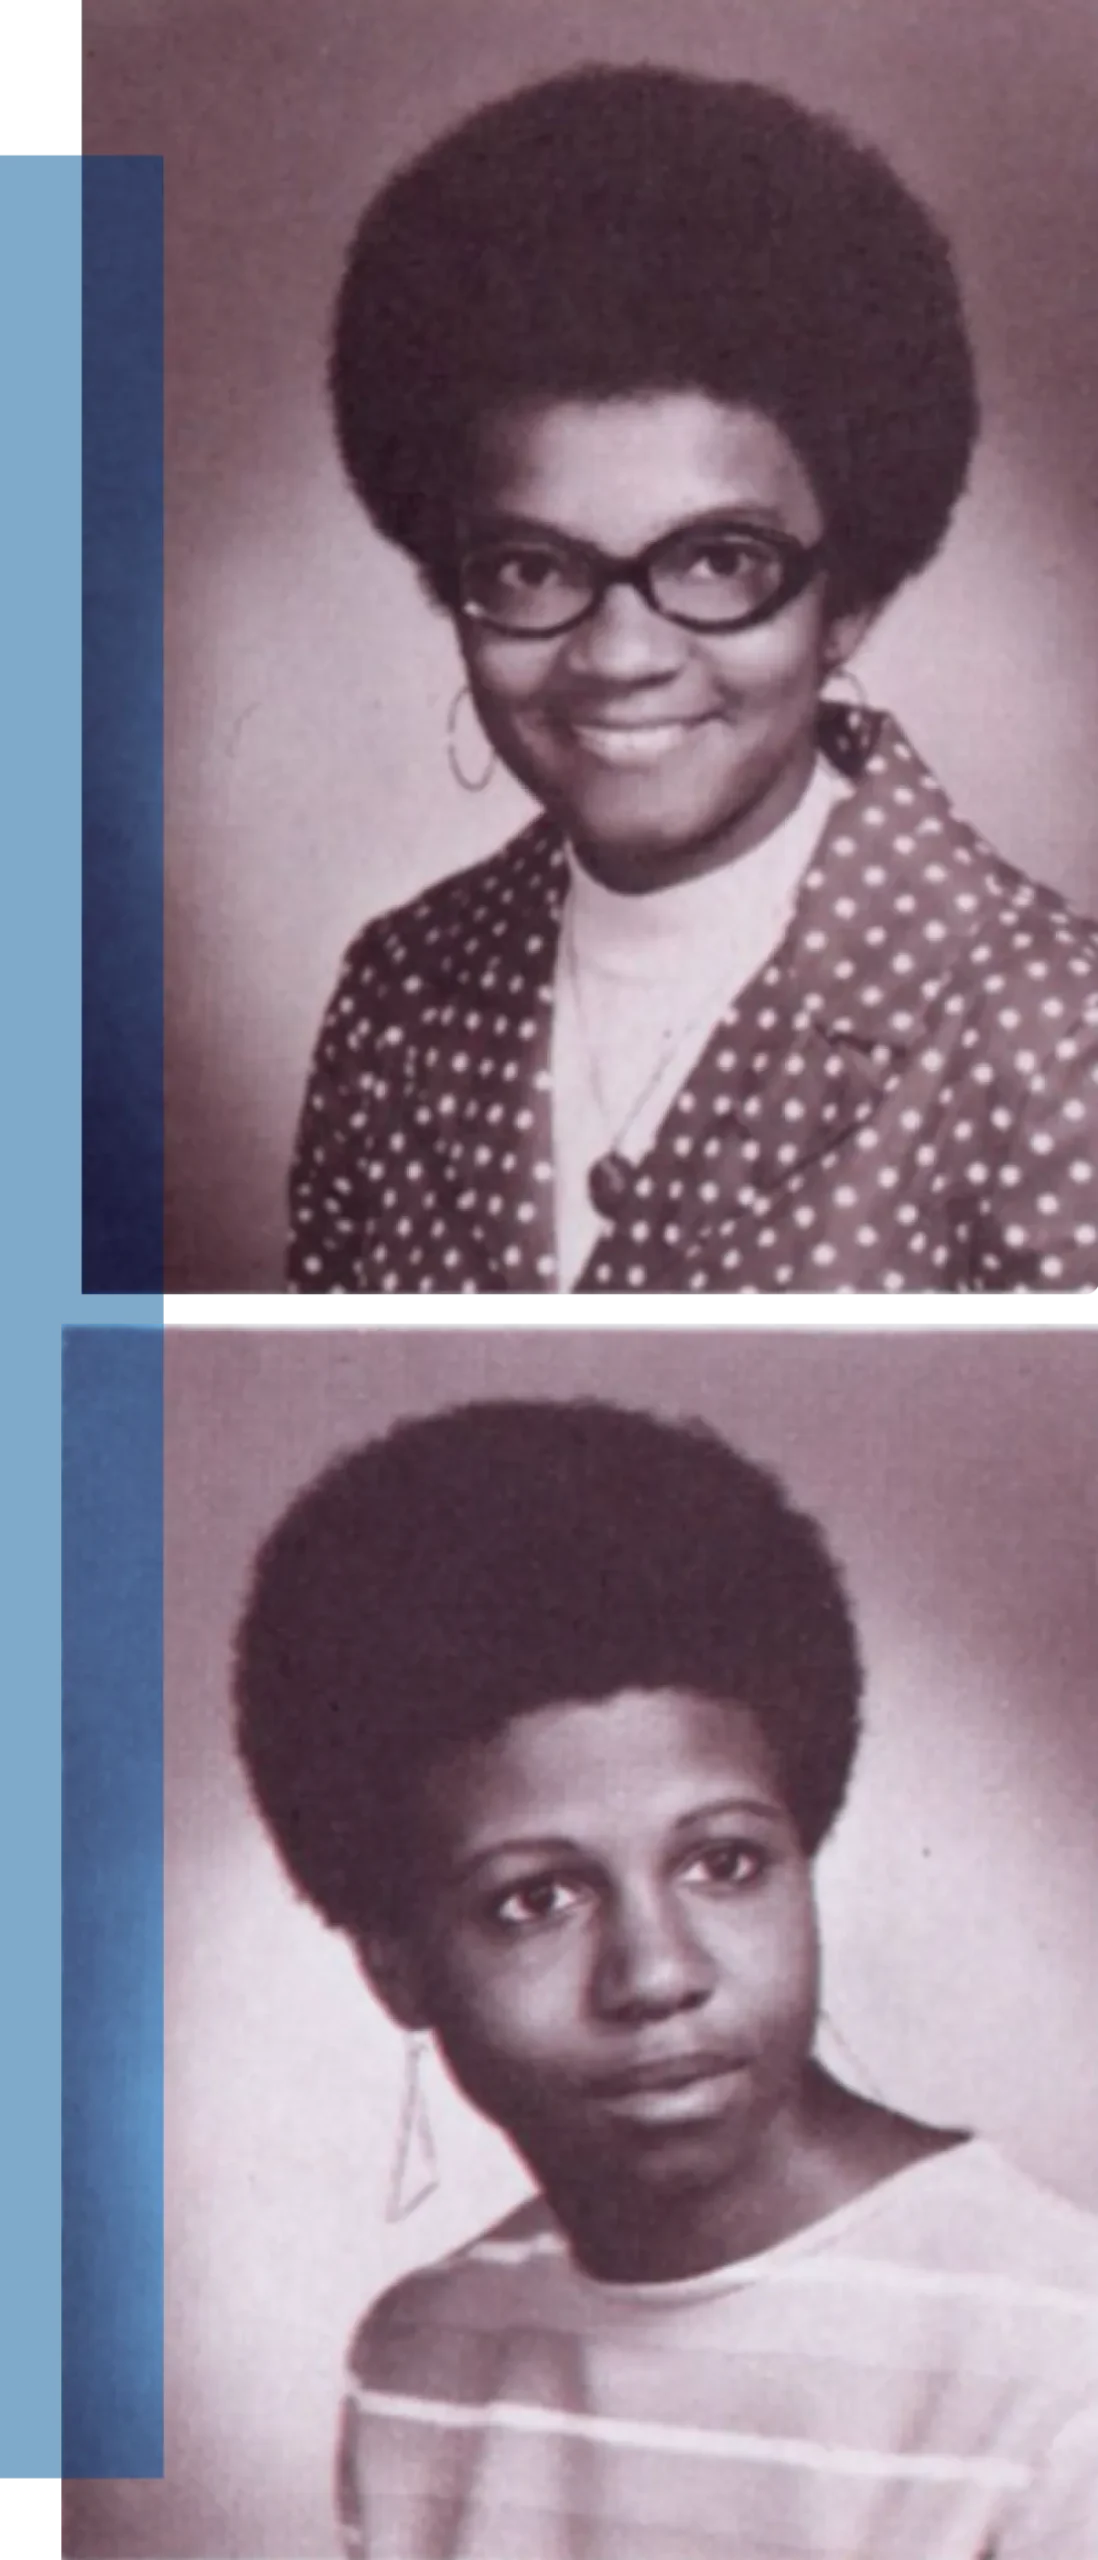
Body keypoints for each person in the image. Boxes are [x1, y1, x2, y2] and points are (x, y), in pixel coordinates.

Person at [234, 1397, 1098, 2558]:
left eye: (722, 1862)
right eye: (537, 1898)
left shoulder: (1058, 2358)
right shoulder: (423, 2358)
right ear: (395, 1965)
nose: (657, 1974)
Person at [286, 64, 1098, 1297]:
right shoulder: (397, 994)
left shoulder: (1052, 1029)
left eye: (720, 560)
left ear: (853, 596)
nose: (618, 655)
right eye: (532, 565)